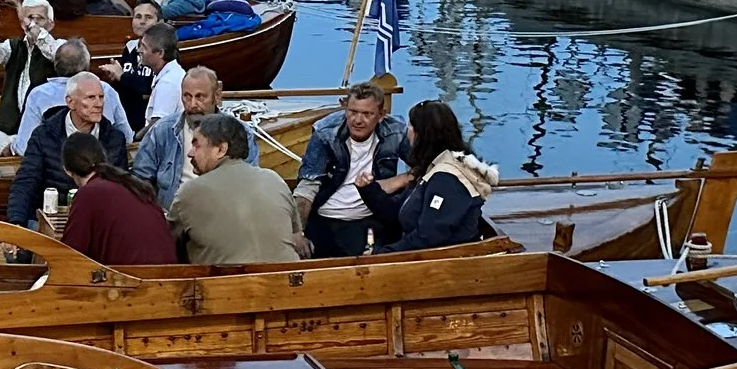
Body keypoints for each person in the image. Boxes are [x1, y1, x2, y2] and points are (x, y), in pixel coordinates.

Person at [361, 101, 497, 252]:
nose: (408, 131)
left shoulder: (447, 180)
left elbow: (429, 237)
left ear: (423, 135)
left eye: (412, 126)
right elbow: (397, 211)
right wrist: (368, 190)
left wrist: (382, 254)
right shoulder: (431, 168)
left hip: (445, 263)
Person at [290, 82, 405, 257]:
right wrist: (297, 232)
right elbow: (307, 187)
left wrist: (400, 179)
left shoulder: (395, 132)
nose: (358, 120)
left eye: (367, 114)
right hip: (326, 216)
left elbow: (421, 165)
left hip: (370, 218)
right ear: (345, 109)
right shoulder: (325, 133)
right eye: (353, 112)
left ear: (381, 116)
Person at [167, 113, 301, 264]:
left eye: (196, 145)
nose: (190, 153)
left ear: (221, 149)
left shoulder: (189, 191)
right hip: (287, 282)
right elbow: (297, 240)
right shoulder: (275, 179)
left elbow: (166, 246)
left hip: (227, 285)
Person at [7, 73, 130, 224]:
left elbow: (121, 189)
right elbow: (26, 182)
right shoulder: (44, 135)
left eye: (101, 97)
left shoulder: (115, 138)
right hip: (50, 219)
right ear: (70, 102)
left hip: (99, 223)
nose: (99, 104)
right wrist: (16, 223)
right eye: (90, 98)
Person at [59, 132, 179, 264]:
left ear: (67, 170)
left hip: (131, 278)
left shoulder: (89, 193)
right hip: (167, 274)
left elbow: (70, 254)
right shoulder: (133, 185)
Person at [131, 65, 235, 209]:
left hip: (220, 216)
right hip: (172, 217)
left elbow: (247, 183)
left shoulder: (238, 134)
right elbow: (139, 179)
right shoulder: (162, 131)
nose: (193, 105)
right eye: (187, 96)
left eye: (200, 97)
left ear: (216, 96)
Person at [0, 0, 63, 142]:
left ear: (50, 25)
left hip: (41, 129)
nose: (33, 22)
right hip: (8, 126)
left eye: (40, 18)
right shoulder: (13, 46)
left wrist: (24, 17)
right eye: (30, 17)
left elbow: (53, 52)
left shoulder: (59, 47)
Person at [17, 39, 130, 140]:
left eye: (100, 97)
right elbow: (127, 138)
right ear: (87, 65)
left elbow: (24, 146)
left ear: (56, 65)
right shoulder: (106, 89)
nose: (98, 102)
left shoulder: (38, 94)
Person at [101, 0, 163, 130]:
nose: (142, 21)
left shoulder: (163, 52)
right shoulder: (130, 47)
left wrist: (123, 77)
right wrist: (115, 78)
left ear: (159, 22)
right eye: (138, 17)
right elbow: (128, 86)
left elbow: (148, 89)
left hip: (148, 122)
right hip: (126, 118)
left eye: (149, 17)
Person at [137, 27, 184, 138]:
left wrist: (136, 138)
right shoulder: (171, 74)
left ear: (160, 53)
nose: (139, 50)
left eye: (144, 46)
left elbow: (158, 126)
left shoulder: (168, 83)